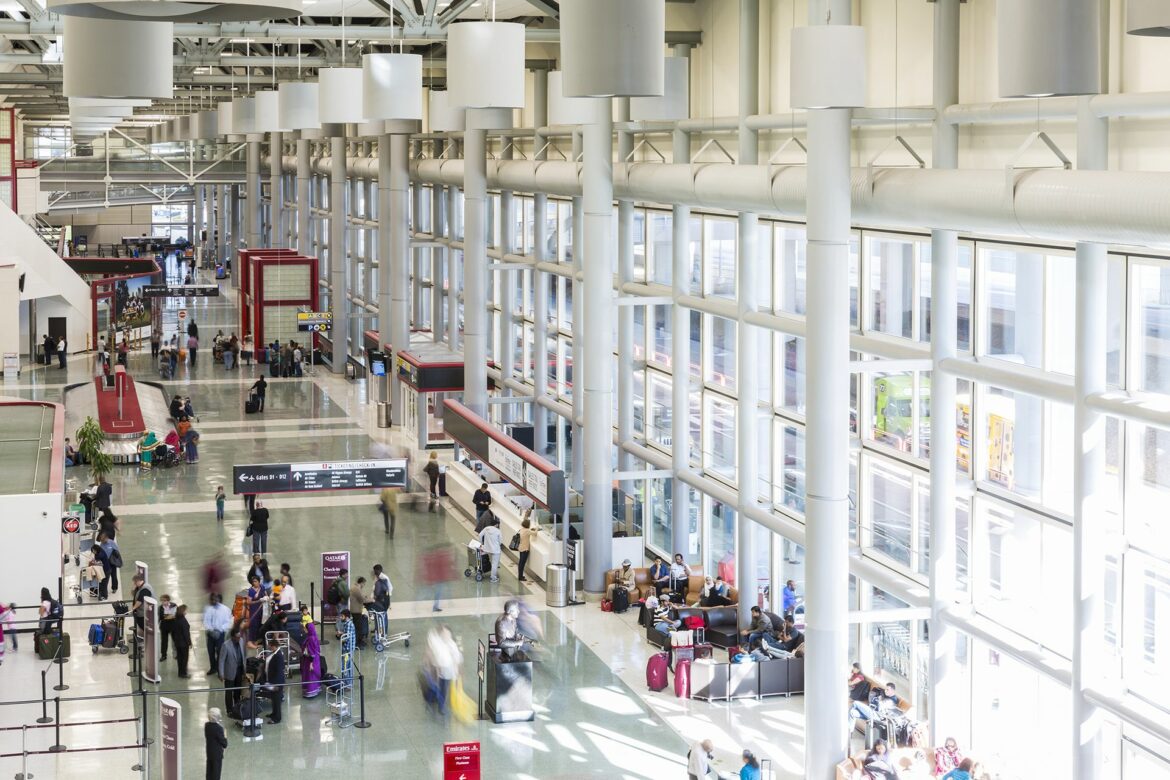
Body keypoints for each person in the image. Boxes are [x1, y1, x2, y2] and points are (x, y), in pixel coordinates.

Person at [423, 626, 463, 718]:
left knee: (443, 690)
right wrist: (435, 669)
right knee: (435, 688)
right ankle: (431, 701)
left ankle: (440, 706)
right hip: (438, 671)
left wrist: (456, 671)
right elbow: (433, 657)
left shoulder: (451, 645)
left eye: (447, 634)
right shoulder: (438, 643)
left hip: (447, 673)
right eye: (444, 634)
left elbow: (456, 658)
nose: (445, 635)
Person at [218, 625, 246, 717]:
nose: (239, 638)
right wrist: (221, 674)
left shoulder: (241, 641)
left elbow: (243, 655)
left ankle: (237, 707)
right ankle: (229, 710)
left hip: (239, 670)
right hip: (229, 672)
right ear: (233, 636)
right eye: (237, 637)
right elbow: (221, 660)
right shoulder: (226, 645)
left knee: (238, 691)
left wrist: (245, 669)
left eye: (239, 636)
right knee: (229, 692)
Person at [203, 594, 231, 675]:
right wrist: (211, 630)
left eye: (216, 599)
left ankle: (220, 669)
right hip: (210, 633)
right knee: (210, 651)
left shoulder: (225, 609)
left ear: (219, 599)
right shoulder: (208, 609)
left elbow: (228, 622)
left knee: (220, 652)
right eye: (212, 600)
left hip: (220, 634)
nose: (214, 601)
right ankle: (213, 668)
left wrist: (220, 630)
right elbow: (206, 620)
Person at [260, 637, 286, 724]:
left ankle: (277, 718)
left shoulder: (278, 656)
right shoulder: (274, 653)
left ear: (274, 646)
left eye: (270, 646)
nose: (269, 647)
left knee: (277, 701)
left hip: (276, 683)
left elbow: (279, 671)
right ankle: (274, 713)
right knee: (274, 699)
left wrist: (275, 685)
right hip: (271, 681)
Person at [204, 707, 228, 780]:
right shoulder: (219, 728)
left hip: (209, 752)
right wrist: (225, 735)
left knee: (209, 771)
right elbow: (224, 744)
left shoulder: (207, 725)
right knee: (216, 773)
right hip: (217, 754)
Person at [300, 622, 322, 698]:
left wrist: (311, 663)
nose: (304, 629)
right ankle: (316, 689)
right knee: (313, 675)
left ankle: (310, 691)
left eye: (305, 628)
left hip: (310, 660)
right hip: (314, 659)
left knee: (310, 675)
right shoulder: (313, 636)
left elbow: (311, 652)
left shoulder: (310, 638)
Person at [479, 518, 503, 583]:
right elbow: (500, 541)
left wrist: (481, 544)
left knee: (489, 560)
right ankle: (493, 578)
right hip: (496, 550)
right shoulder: (498, 531)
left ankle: (482, 571)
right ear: (496, 524)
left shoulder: (486, 529)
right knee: (494, 564)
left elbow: (480, 535)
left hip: (487, 549)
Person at [517, 515, 539, 582]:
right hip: (525, 549)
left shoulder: (521, 529)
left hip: (520, 548)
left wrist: (531, 530)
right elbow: (535, 534)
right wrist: (537, 528)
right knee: (522, 564)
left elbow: (528, 532)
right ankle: (520, 577)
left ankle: (520, 575)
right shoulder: (527, 531)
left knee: (520, 562)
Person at [172, 604, 192, 677]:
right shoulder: (183, 621)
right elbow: (186, 634)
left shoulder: (176, 619)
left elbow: (173, 632)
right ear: (183, 611)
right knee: (184, 658)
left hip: (177, 642)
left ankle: (180, 672)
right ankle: (184, 673)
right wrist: (189, 643)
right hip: (183, 643)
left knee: (180, 658)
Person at [130, 574, 152, 642]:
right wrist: (133, 588)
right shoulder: (139, 587)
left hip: (143, 613)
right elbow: (133, 595)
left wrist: (133, 608)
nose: (134, 583)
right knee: (140, 625)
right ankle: (143, 638)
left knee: (143, 626)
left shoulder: (145, 589)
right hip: (139, 612)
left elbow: (139, 601)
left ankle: (148, 640)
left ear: (139, 581)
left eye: (135, 582)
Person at [245, 576, 265, 644]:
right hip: (254, 609)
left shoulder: (262, 587)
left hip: (262, 609)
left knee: (261, 623)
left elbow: (265, 594)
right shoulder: (251, 591)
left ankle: (260, 639)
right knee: (254, 624)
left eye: (256, 581)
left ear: (259, 582)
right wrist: (258, 601)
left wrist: (267, 597)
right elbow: (248, 602)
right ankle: (253, 640)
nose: (254, 583)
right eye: (253, 582)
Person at [349, 577, 368, 647]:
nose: (364, 585)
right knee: (358, 628)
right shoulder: (356, 589)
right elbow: (361, 599)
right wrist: (371, 600)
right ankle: (357, 643)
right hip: (356, 611)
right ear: (362, 582)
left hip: (356, 610)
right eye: (364, 583)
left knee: (358, 627)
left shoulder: (356, 588)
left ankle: (359, 641)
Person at [159, 594, 177, 661]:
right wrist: (169, 616)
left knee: (174, 641)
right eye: (162, 601)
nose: (163, 602)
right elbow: (161, 617)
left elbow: (175, 615)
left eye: (164, 601)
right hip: (164, 626)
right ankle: (163, 655)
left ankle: (175, 654)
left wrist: (166, 616)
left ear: (168, 600)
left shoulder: (174, 605)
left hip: (173, 626)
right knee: (164, 642)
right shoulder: (160, 607)